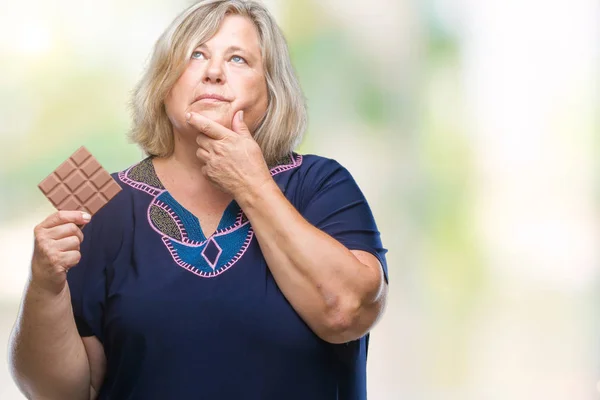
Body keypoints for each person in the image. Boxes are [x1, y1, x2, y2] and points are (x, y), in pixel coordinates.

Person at [8, 0, 389, 399]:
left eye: (238, 59)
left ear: (271, 89)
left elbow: (348, 311)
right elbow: (58, 393)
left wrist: (252, 184)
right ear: (165, 82)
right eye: (196, 54)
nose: (213, 72)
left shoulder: (323, 184)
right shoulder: (99, 204)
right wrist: (43, 284)